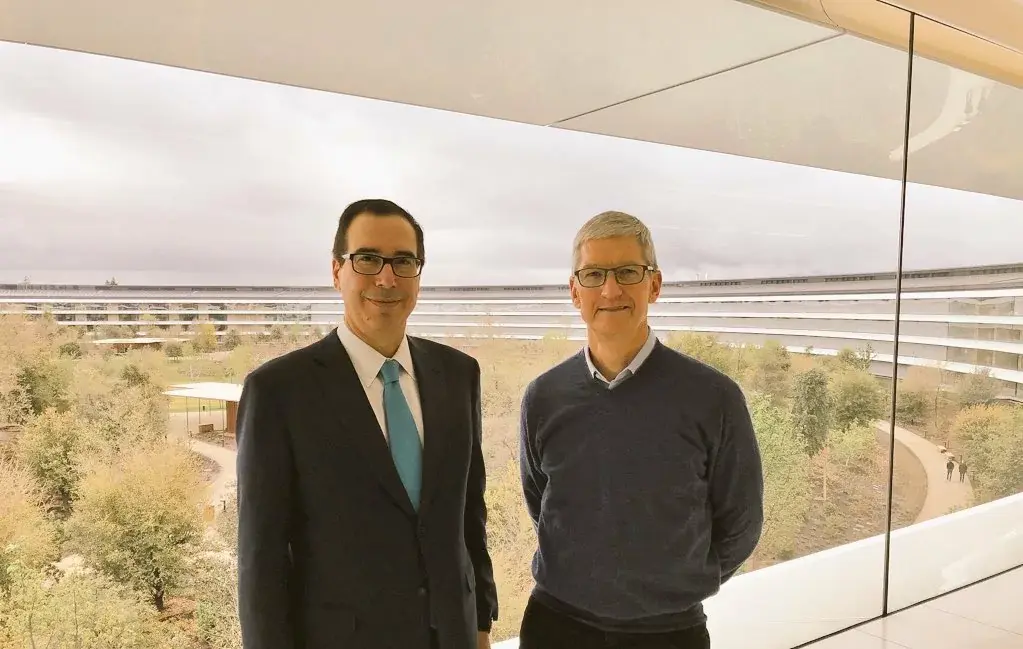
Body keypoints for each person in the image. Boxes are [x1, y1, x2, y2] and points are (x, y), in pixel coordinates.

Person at [236, 199, 498, 649]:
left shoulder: (458, 375)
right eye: (368, 259)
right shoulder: (280, 391)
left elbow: (469, 514)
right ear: (337, 271)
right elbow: (262, 559)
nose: (387, 277)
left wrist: (482, 621)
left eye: (403, 261)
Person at [518, 211, 764, 649]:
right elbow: (541, 502)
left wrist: (675, 583)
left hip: (669, 632)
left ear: (654, 284)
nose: (610, 290)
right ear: (575, 291)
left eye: (628, 272)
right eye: (594, 274)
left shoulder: (714, 397)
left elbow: (741, 521)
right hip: (555, 627)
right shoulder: (543, 397)